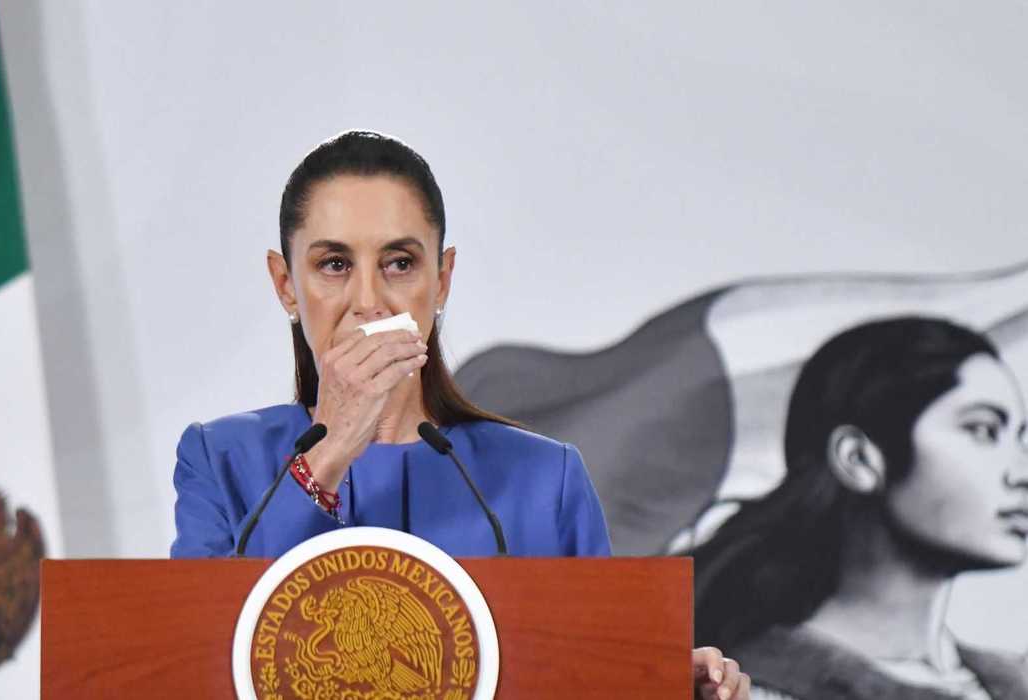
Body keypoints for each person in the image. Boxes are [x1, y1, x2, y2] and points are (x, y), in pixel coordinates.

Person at [171, 130, 750, 699]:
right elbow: (198, 665)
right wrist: (331, 448)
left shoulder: (544, 478)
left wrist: (661, 685)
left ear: (441, 279)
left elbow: (590, 674)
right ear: (285, 285)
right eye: (334, 265)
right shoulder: (217, 460)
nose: (369, 299)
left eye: (399, 262)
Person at [694, 317, 1028, 699]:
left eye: (1019, 438)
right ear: (858, 459)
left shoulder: (1010, 683)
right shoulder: (743, 689)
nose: (1022, 473)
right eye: (983, 430)